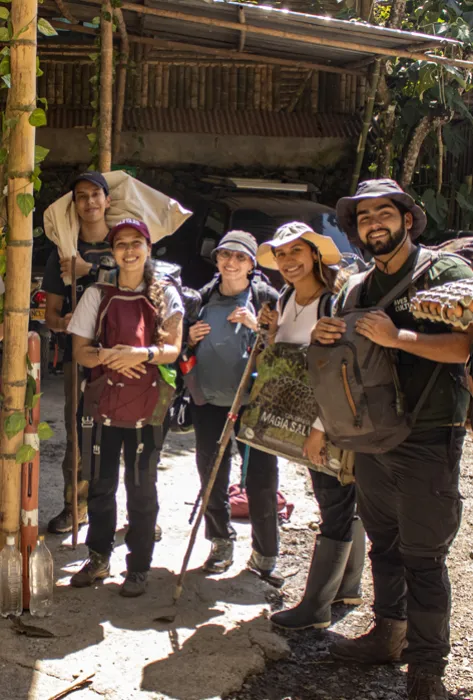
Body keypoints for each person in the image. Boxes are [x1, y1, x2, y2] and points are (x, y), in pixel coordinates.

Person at [314, 179, 473, 700]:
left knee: (425, 555)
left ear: (408, 219)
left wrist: (399, 336)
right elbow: (344, 359)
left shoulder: (446, 273)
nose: (374, 223)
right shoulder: (354, 289)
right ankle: (389, 633)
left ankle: (427, 670)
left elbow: (466, 345)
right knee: (385, 542)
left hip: (429, 434)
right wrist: (327, 336)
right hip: (371, 435)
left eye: (384, 213)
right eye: (364, 218)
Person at [257, 222, 365, 629]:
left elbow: (342, 371)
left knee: (333, 498)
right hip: (303, 418)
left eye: (295, 252)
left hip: (330, 419)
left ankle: (315, 608)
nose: (287, 262)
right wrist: (268, 332)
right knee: (339, 495)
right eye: (281, 255)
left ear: (315, 255)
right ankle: (347, 586)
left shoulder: (332, 305)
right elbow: (282, 357)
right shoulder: (285, 298)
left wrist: (320, 428)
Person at [68, 219, 183, 597]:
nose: (129, 250)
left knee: (141, 488)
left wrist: (140, 354)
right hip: (103, 402)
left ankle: (138, 567)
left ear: (148, 248)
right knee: (101, 486)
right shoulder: (97, 295)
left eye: (137, 243)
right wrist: (112, 357)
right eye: (121, 244)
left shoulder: (165, 293)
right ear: (112, 251)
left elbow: (173, 349)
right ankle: (99, 558)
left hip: (148, 406)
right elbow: (81, 353)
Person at [186, 231, 283, 586]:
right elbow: (179, 344)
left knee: (261, 479)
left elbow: (283, 347)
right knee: (211, 474)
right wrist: (189, 337)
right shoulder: (201, 299)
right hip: (208, 403)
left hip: (253, 405)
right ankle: (220, 541)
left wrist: (257, 326)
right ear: (217, 260)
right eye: (226, 255)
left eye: (240, 258)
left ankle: (266, 551)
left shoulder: (266, 298)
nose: (231, 263)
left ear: (252, 265)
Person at [44, 172, 112, 534]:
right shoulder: (63, 255)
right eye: (82, 197)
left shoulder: (126, 246)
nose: (89, 202)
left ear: (107, 200)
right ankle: (76, 507)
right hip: (78, 359)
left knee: (126, 435)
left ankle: (128, 515)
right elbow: (51, 316)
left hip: (122, 357)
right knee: (79, 434)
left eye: (95, 195)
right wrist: (64, 322)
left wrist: (92, 271)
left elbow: (144, 288)